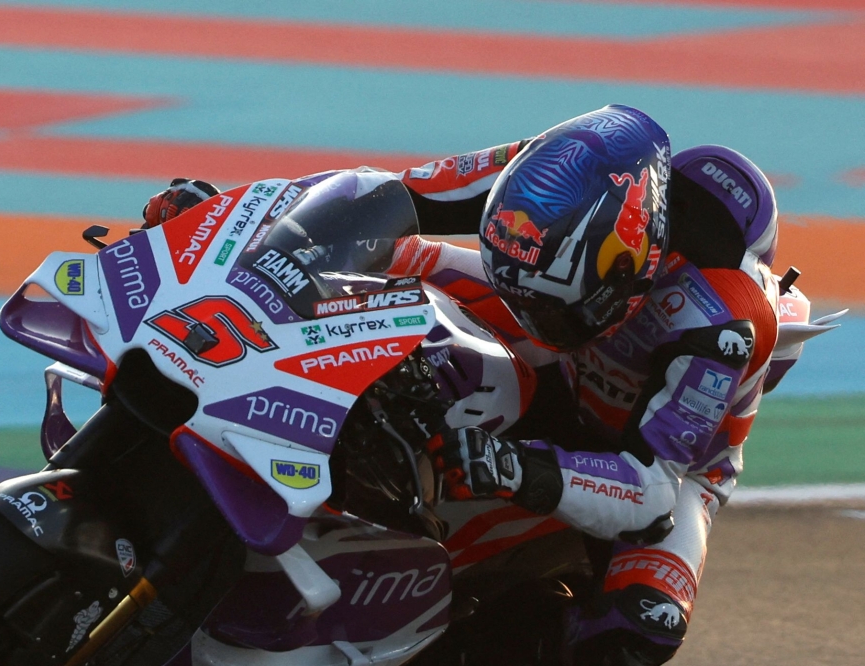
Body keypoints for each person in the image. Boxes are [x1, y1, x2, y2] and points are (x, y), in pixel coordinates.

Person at [142, 105, 782, 665]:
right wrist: (232, 219)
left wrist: (511, 470)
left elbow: (652, 491)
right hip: (551, 345)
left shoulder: (722, 322)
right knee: (379, 261)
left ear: (634, 268)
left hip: (659, 461)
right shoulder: (543, 178)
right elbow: (374, 196)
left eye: (563, 307)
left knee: (641, 627)